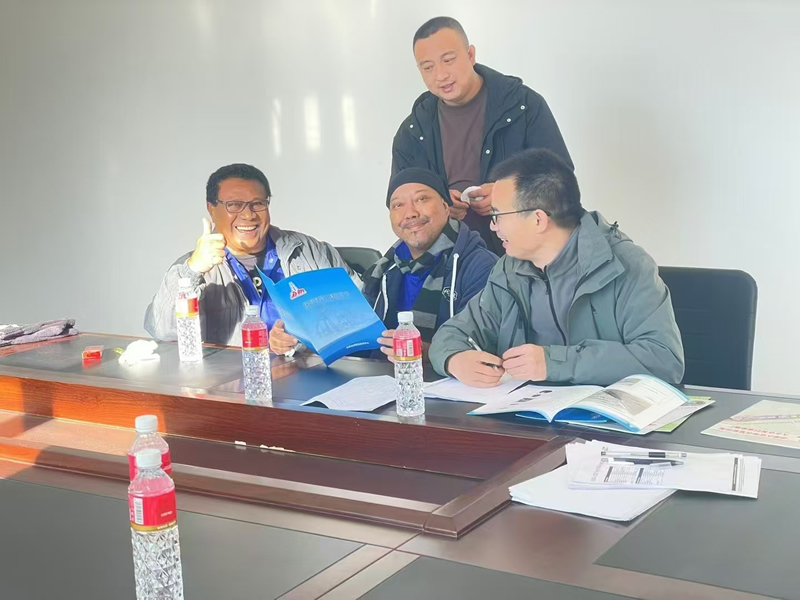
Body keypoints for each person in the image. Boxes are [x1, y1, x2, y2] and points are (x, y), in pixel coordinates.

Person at [429, 149, 684, 387]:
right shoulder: (508, 269)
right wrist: (454, 359)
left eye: (497, 216)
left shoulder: (625, 265)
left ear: (538, 219)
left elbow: (663, 360)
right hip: (524, 412)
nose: (493, 227)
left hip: (605, 416)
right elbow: (453, 333)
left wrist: (553, 363)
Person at [391, 16, 572, 256]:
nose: (440, 75)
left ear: (470, 55)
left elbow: (561, 180)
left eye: (448, 60)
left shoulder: (523, 106)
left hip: (524, 258)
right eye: (428, 67)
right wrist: (437, 205)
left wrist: (506, 194)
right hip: (450, 262)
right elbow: (400, 204)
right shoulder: (413, 131)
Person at [144, 163, 358, 351]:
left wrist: (303, 339)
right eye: (234, 205)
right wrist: (193, 271)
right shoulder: (193, 268)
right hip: (235, 381)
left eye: (258, 203)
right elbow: (163, 332)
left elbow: (359, 312)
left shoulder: (309, 250)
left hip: (313, 374)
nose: (248, 215)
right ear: (212, 209)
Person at [362, 167, 497, 360]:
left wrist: (425, 351)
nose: (410, 213)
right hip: (380, 374)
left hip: (444, 378)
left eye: (422, 199)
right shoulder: (383, 270)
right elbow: (361, 342)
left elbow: (486, 345)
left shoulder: (482, 267)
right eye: (398, 205)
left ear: (445, 207)